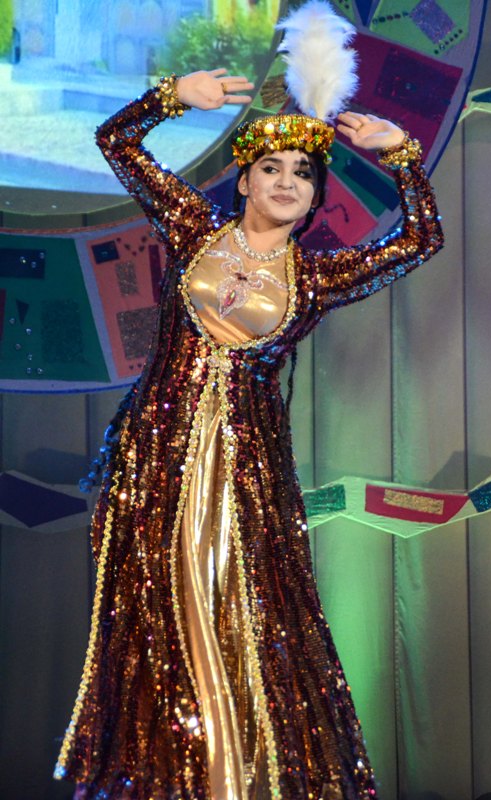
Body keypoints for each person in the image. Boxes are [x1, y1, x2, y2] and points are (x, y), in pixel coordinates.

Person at [54, 53, 443, 800]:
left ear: (314, 195)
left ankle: (236, 780)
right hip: (157, 458)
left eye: (303, 173)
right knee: (160, 616)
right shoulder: (193, 228)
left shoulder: (318, 277)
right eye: (272, 168)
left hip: (244, 473)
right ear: (244, 180)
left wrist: (402, 156)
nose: (287, 180)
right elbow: (116, 143)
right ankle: (170, 780)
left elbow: (421, 239)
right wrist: (172, 97)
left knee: (243, 614)